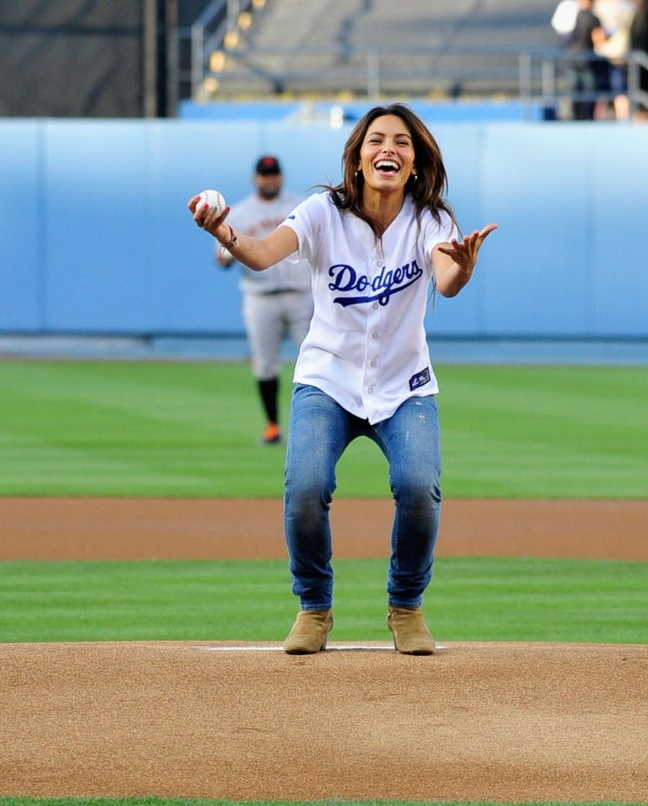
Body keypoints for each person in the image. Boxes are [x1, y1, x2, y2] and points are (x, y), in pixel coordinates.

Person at [189, 103, 497, 655]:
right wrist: (225, 232)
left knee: (418, 489)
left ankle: (406, 607)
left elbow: (445, 278)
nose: (389, 149)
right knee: (305, 488)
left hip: (405, 386)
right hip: (327, 379)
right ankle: (314, 608)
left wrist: (464, 268)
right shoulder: (321, 212)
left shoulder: (431, 219)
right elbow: (261, 255)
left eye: (402, 143)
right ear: (356, 159)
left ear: (416, 163)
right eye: (376, 140)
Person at [214, 155, 313, 445]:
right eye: (264, 175)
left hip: (302, 294)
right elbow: (220, 259)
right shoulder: (240, 213)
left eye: (274, 174)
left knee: (313, 361)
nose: (269, 179)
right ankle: (272, 426)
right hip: (260, 297)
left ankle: (314, 426)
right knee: (265, 364)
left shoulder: (300, 206)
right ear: (255, 178)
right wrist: (232, 250)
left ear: (280, 177)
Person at [565, 0, 609, 119]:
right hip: (586, 57)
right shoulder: (593, 18)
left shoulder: (572, 15)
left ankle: (575, 114)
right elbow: (598, 38)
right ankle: (586, 115)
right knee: (589, 88)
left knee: (575, 87)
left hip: (572, 56)